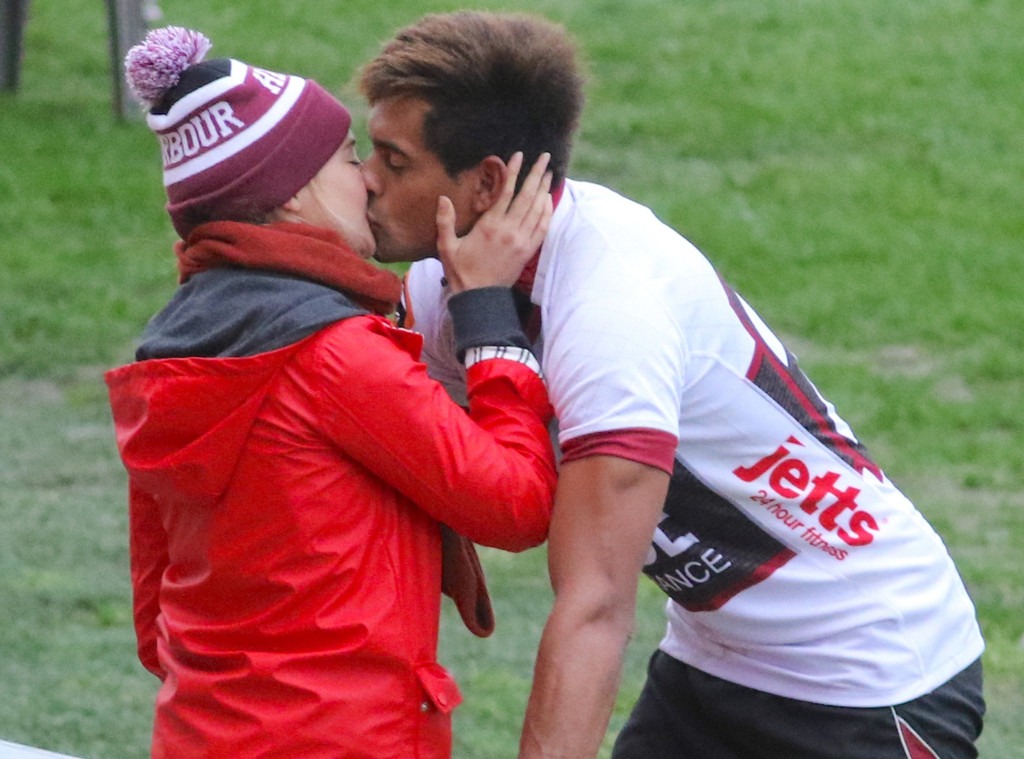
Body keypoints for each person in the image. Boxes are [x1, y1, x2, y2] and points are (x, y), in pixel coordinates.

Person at [356, 10, 987, 758]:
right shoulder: (454, 281)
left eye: (395, 165)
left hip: (870, 673)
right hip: (714, 661)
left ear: (487, 182)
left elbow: (593, 605)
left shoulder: (612, 305)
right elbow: (443, 472)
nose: (365, 181)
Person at [105, 26, 558, 759]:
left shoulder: (171, 353)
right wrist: (486, 310)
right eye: (350, 157)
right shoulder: (333, 356)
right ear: (291, 201)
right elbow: (515, 502)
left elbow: (155, 603)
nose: (372, 179)